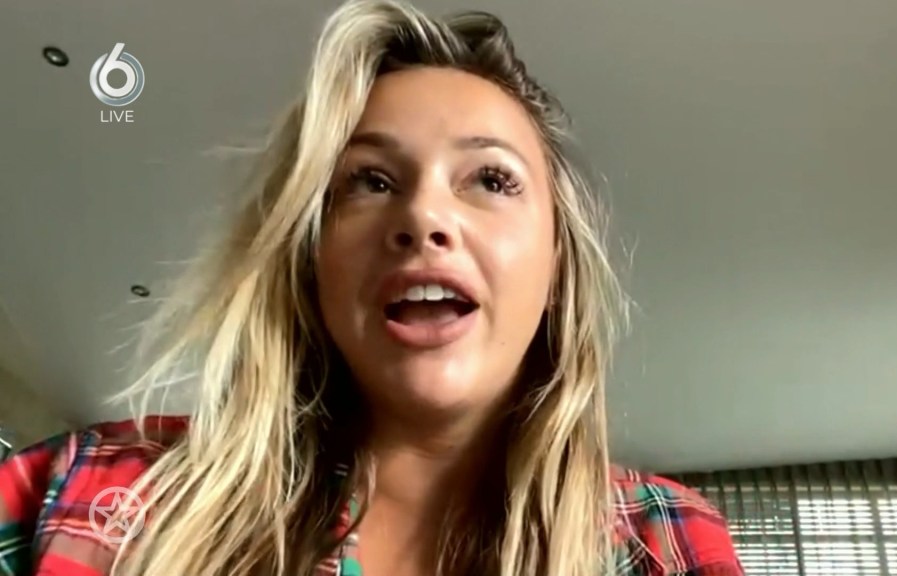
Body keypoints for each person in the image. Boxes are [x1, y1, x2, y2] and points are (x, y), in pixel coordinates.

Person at [0, 1, 743, 574]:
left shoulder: (665, 542)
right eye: (371, 181)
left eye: (491, 179)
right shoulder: (83, 492)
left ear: (557, 267)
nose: (424, 217)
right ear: (311, 260)